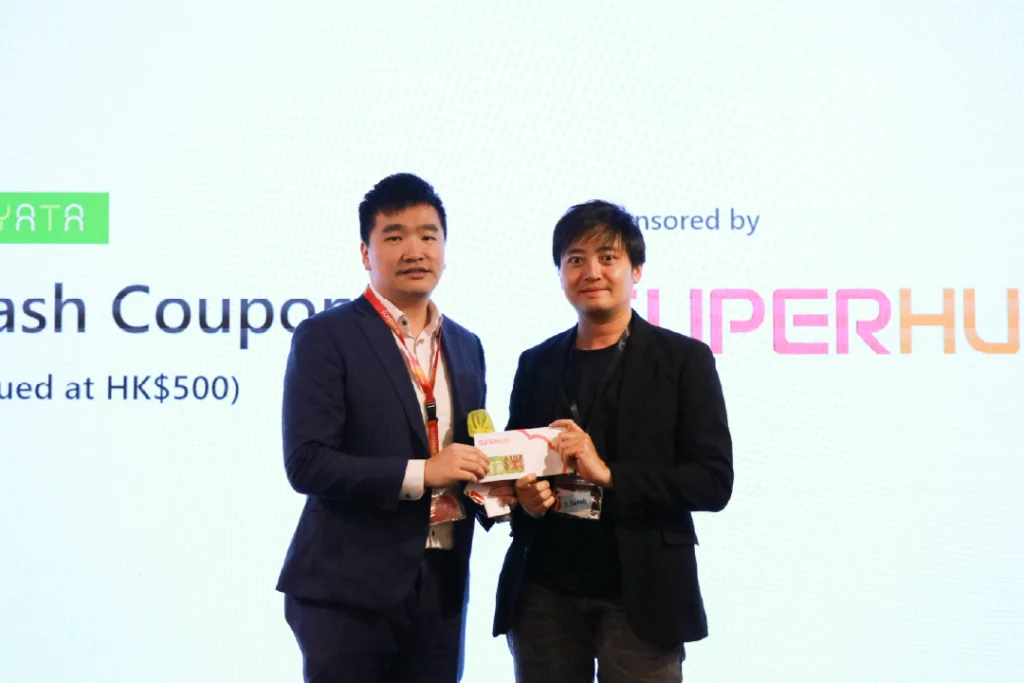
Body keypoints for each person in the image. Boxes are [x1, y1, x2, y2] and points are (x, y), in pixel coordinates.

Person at [277, 173, 513, 683]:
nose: (415, 250)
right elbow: (307, 462)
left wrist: (504, 487)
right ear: (366, 253)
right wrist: (424, 472)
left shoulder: (466, 345)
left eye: (429, 235)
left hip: (442, 585)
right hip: (349, 589)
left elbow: (469, 456)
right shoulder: (326, 336)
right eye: (395, 236)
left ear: (445, 248)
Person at [493, 200, 734, 683]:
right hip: (544, 591)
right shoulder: (536, 362)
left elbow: (712, 482)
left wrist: (609, 475)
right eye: (575, 259)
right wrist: (523, 499)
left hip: (643, 592)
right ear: (560, 273)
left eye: (608, 257)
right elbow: (516, 467)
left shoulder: (684, 360)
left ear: (636, 270)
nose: (591, 272)